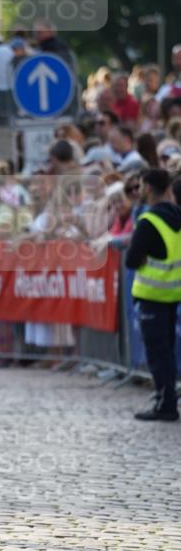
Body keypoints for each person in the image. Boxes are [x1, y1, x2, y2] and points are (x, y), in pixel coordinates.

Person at [126, 168, 181, 422]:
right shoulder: (177, 215)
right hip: (173, 294)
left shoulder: (148, 221)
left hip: (152, 295)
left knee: (158, 354)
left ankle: (165, 404)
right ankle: (167, 399)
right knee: (167, 351)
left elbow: (132, 260)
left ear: (148, 188)